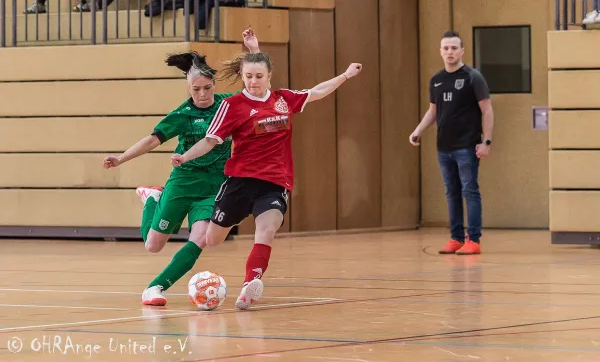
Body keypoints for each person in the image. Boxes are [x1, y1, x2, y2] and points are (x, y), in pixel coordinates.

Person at [171, 52, 363, 310]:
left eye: (259, 76)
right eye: (248, 76)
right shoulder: (232, 106)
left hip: (274, 181)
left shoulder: (283, 100)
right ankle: (155, 197)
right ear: (242, 76)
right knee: (212, 239)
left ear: (269, 77)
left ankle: (250, 285)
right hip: (240, 182)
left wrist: (346, 75)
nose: (253, 81)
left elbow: (316, 92)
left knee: (267, 229)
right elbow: (209, 140)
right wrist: (185, 157)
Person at [103, 29, 261, 306]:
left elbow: (252, 86)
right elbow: (151, 141)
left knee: (202, 238)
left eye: (207, 88)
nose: (202, 94)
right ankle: (152, 199)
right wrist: (120, 158)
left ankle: (154, 288)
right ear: (188, 89)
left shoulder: (226, 106)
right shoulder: (182, 114)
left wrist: (252, 48)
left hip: (214, 186)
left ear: (214, 85)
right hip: (183, 182)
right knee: (153, 245)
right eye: (196, 89)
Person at [409, 30, 493, 256]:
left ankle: (473, 239)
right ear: (440, 51)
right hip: (443, 147)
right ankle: (456, 238)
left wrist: (486, 141)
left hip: (467, 146)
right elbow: (433, 112)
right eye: (445, 48)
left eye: (454, 48)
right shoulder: (436, 80)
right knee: (451, 192)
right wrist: (417, 131)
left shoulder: (472, 77)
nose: (449, 52)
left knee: (470, 190)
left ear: (462, 51)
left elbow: (487, 110)